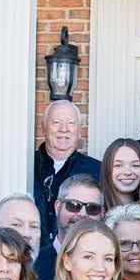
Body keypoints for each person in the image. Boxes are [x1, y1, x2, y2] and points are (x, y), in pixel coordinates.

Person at [33, 99, 100, 242]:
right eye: (56, 122)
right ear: (43, 128)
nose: (64, 129)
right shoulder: (25, 165)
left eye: (71, 123)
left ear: (79, 131)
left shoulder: (97, 170)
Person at [35, 174, 103, 280]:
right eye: (74, 205)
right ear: (58, 207)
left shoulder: (108, 267)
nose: (83, 214)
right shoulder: (33, 266)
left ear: (102, 213)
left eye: (92, 208)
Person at [100, 139, 140, 212]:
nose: (127, 172)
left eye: (135, 165)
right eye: (118, 165)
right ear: (107, 169)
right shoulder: (95, 210)